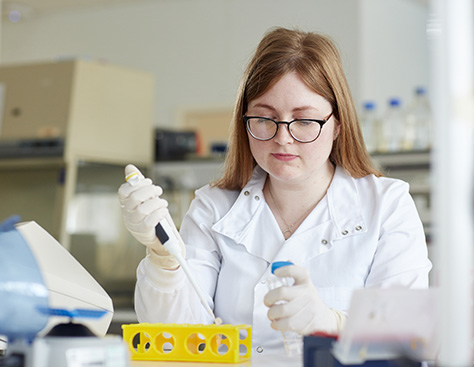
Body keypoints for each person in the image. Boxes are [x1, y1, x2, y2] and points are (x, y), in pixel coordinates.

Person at [118, 27, 432, 355]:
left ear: (338, 124)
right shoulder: (213, 208)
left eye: (305, 120)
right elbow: (173, 340)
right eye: (266, 119)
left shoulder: (386, 206)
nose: (282, 137)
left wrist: (332, 322)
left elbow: (410, 338)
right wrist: (164, 257)